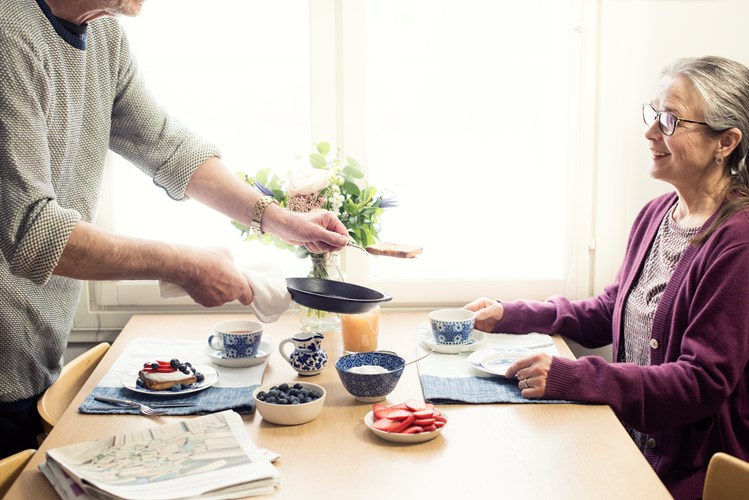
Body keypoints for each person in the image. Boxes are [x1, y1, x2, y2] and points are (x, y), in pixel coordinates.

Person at [0, 0, 350, 458]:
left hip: (33, 344)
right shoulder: (10, 35)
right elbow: (34, 233)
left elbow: (169, 146)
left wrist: (276, 217)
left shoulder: (103, 37)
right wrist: (184, 265)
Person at [465, 55, 749, 499]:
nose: (651, 131)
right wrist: (510, 315)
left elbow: (700, 384)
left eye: (671, 119)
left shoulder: (739, 240)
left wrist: (572, 376)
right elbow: (609, 311)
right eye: (653, 114)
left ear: (726, 142)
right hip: (629, 443)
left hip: (692, 472)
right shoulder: (657, 214)